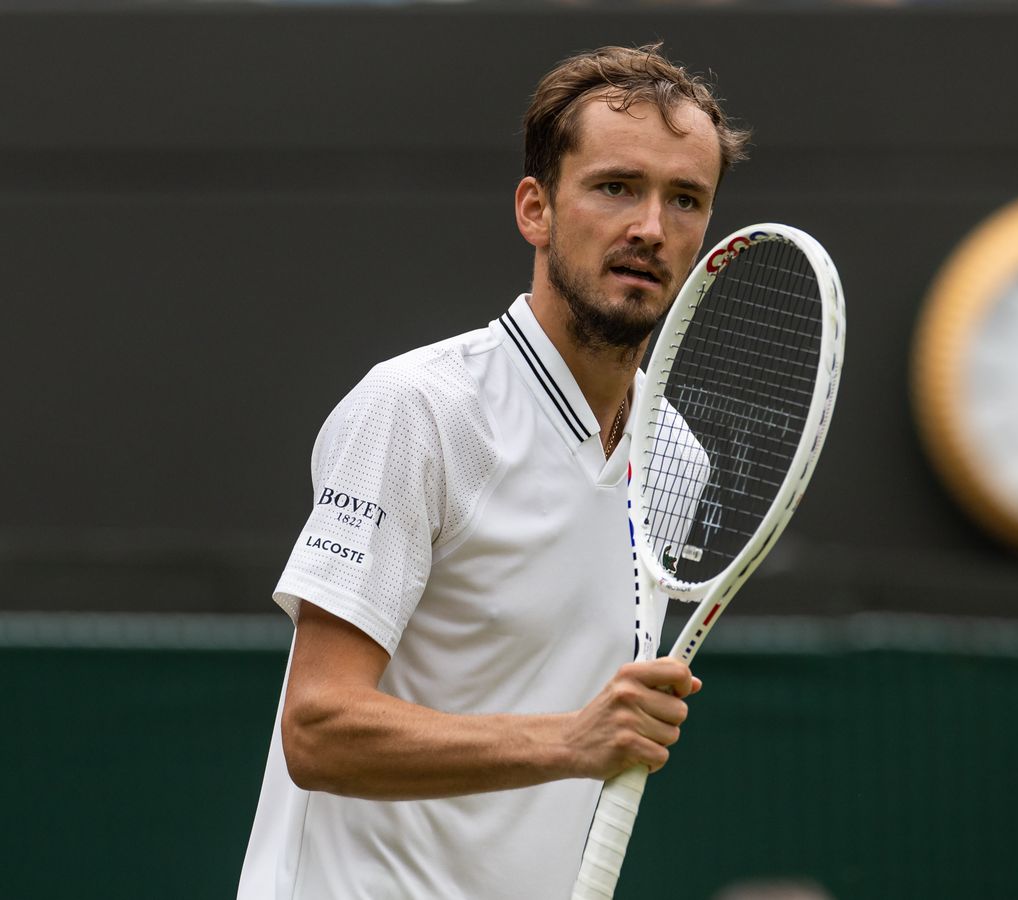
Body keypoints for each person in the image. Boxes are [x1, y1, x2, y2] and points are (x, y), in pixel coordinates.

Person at [238, 43, 750, 900]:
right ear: (535, 210)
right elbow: (318, 729)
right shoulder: (418, 408)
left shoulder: (675, 459)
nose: (651, 229)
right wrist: (572, 740)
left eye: (685, 199)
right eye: (616, 187)